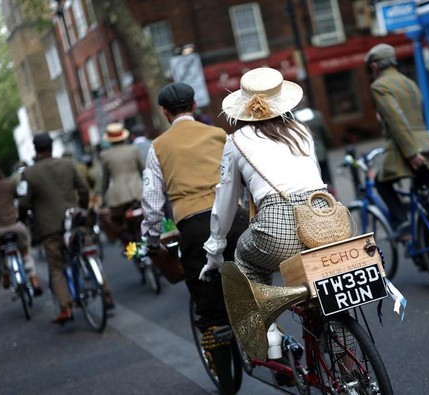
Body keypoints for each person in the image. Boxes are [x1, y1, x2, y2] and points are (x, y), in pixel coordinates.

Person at [199, 67, 327, 360]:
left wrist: (215, 250)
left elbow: (226, 201)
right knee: (326, 288)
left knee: (246, 261)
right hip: (327, 217)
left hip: (278, 226)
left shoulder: (236, 141)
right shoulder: (301, 131)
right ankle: (352, 368)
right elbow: (314, 179)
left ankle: (270, 339)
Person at [141, 82, 247, 395]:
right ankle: (274, 344)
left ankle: (225, 376)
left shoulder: (158, 146)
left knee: (209, 308)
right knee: (255, 285)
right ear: (194, 104)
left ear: (164, 112)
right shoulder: (219, 135)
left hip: (196, 229)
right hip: (236, 219)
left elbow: (151, 202)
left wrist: (150, 241)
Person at [19, 133, 115, 324]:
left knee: (56, 267)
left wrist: (22, 217)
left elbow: (24, 202)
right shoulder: (67, 165)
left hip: (50, 228)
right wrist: (83, 208)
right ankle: (106, 294)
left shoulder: (29, 173)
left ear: (36, 150)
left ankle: (66, 307)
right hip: (74, 220)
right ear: (52, 147)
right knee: (88, 253)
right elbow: (82, 189)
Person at [364, 43, 429, 240]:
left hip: (405, 149)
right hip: (427, 145)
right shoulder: (409, 83)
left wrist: (411, 153)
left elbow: (396, 119)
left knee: (381, 184)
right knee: (425, 201)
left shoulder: (379, 85)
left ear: (375, 65)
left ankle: (402, 222)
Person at [0, 157, 42, 294]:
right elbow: (19, 198)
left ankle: (5, 274)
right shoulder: (9, 184)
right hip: (14, 225)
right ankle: (33, 277)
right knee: (25, 249)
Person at [100, 123, 144, 244]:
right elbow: (143, 170)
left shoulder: (105, 155)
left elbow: (105, 180)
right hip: (139, 191)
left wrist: (103, 199)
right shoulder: (133, 150)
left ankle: (126, 240)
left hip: (118, 197)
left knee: (116, 220)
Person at [293, 99, 335, 194]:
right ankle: (332, 196)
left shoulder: (294, 119)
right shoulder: (317, 115)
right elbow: (326, 134)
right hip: (320, 151)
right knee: (326, 177)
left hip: (305, 153)